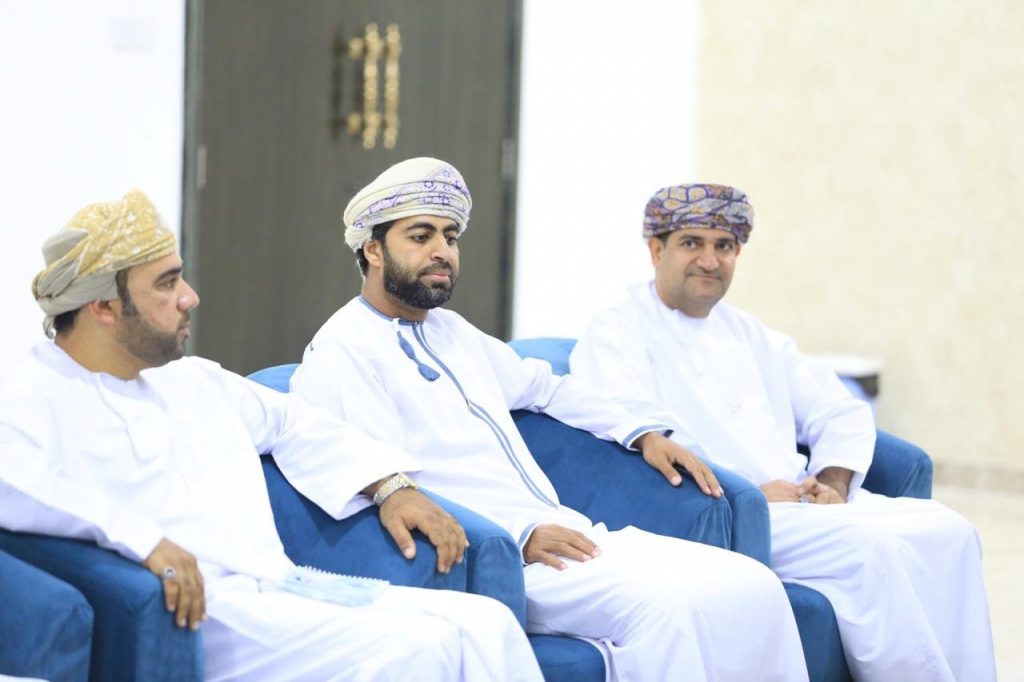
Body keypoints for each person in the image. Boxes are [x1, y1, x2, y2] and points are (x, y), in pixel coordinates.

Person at [289, 158, 809, 682]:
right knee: (667, 608)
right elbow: (383, 479)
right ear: (373, 250)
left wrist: (643, 434)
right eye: (421, 236)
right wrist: (518, 534)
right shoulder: (343, 348)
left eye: (450, 236)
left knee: (752, 584)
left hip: (571, 532)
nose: (442, 251)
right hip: (509, 556)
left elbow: (547, 388)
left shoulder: (453, 332)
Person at [0, 189, 542, 682]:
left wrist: (389, 486)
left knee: (488, 623)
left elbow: (294, 422)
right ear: (103, 308)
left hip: (282, 586)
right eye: (167, 284)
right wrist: (143, 542)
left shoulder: (190, 379)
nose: (189, 297)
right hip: (206, 609)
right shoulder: (31, 393)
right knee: (420, 648)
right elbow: (19, 484)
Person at [569, 183, 997, 681]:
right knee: (871, 548)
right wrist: (749, 493)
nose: (709, 260)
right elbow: (641, 430)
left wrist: (833, 483)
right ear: (656, 250)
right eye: (691, 243)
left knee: (950, 530)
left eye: (724, 246)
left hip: (804, 503)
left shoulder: (750, 333)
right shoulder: (616, 329)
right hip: (729, 511)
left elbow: (838, 408)